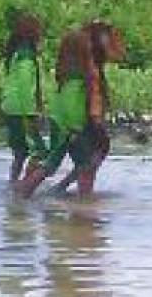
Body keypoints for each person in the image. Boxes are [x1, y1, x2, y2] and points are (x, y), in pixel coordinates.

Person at [17, 25, 123, 199]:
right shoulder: (83, 77)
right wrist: (80, 127)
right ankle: (81, 200)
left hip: (65, 123)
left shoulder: (68, 75)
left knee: (75, 162)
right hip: (72, 126)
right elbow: (76, 104)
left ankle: (35, 194)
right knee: (72, 164)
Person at [50, 21, 126, 194]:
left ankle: (69, 191)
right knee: (89, 160)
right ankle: (82, 199)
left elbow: (118, 55)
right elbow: (93, 94)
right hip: (86, 119)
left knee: (92, 158)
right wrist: (97, 119)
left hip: (85, 117)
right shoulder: (88, 64)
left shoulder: (88, 62)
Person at [1, 10, 46, 182]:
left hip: (11, 107)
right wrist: (32, 112)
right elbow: (26, 85)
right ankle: (26, 186)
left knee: (20, 152)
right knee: (40, 151)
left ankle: (13, 184)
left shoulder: (16, 52)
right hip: (21, 109)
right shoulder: (27, 55)